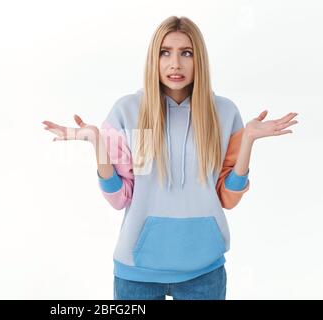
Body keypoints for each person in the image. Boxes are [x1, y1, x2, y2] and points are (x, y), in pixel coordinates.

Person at [42, 15, 298, 300]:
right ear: (155, 58)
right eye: (165, 53)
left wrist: (248, 139)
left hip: (204, 271)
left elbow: (228, 198)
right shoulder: (128, 110)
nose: (175, 63)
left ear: (198, 58)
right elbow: (119, 199)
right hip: (136, 272)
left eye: (186, 53)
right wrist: (97, 145)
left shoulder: (225, 113)